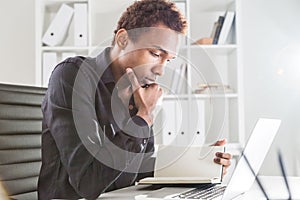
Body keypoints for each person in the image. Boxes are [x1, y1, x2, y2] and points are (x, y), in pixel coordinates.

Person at [38, 0, 232, 199]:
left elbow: (140, 169)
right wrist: (143, 117)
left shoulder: (136, 90)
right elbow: (88, 183)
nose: (161, 70)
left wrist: (200, 166)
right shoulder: (72, 76)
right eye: (155, 54)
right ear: (123, 39)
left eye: (168, 60)